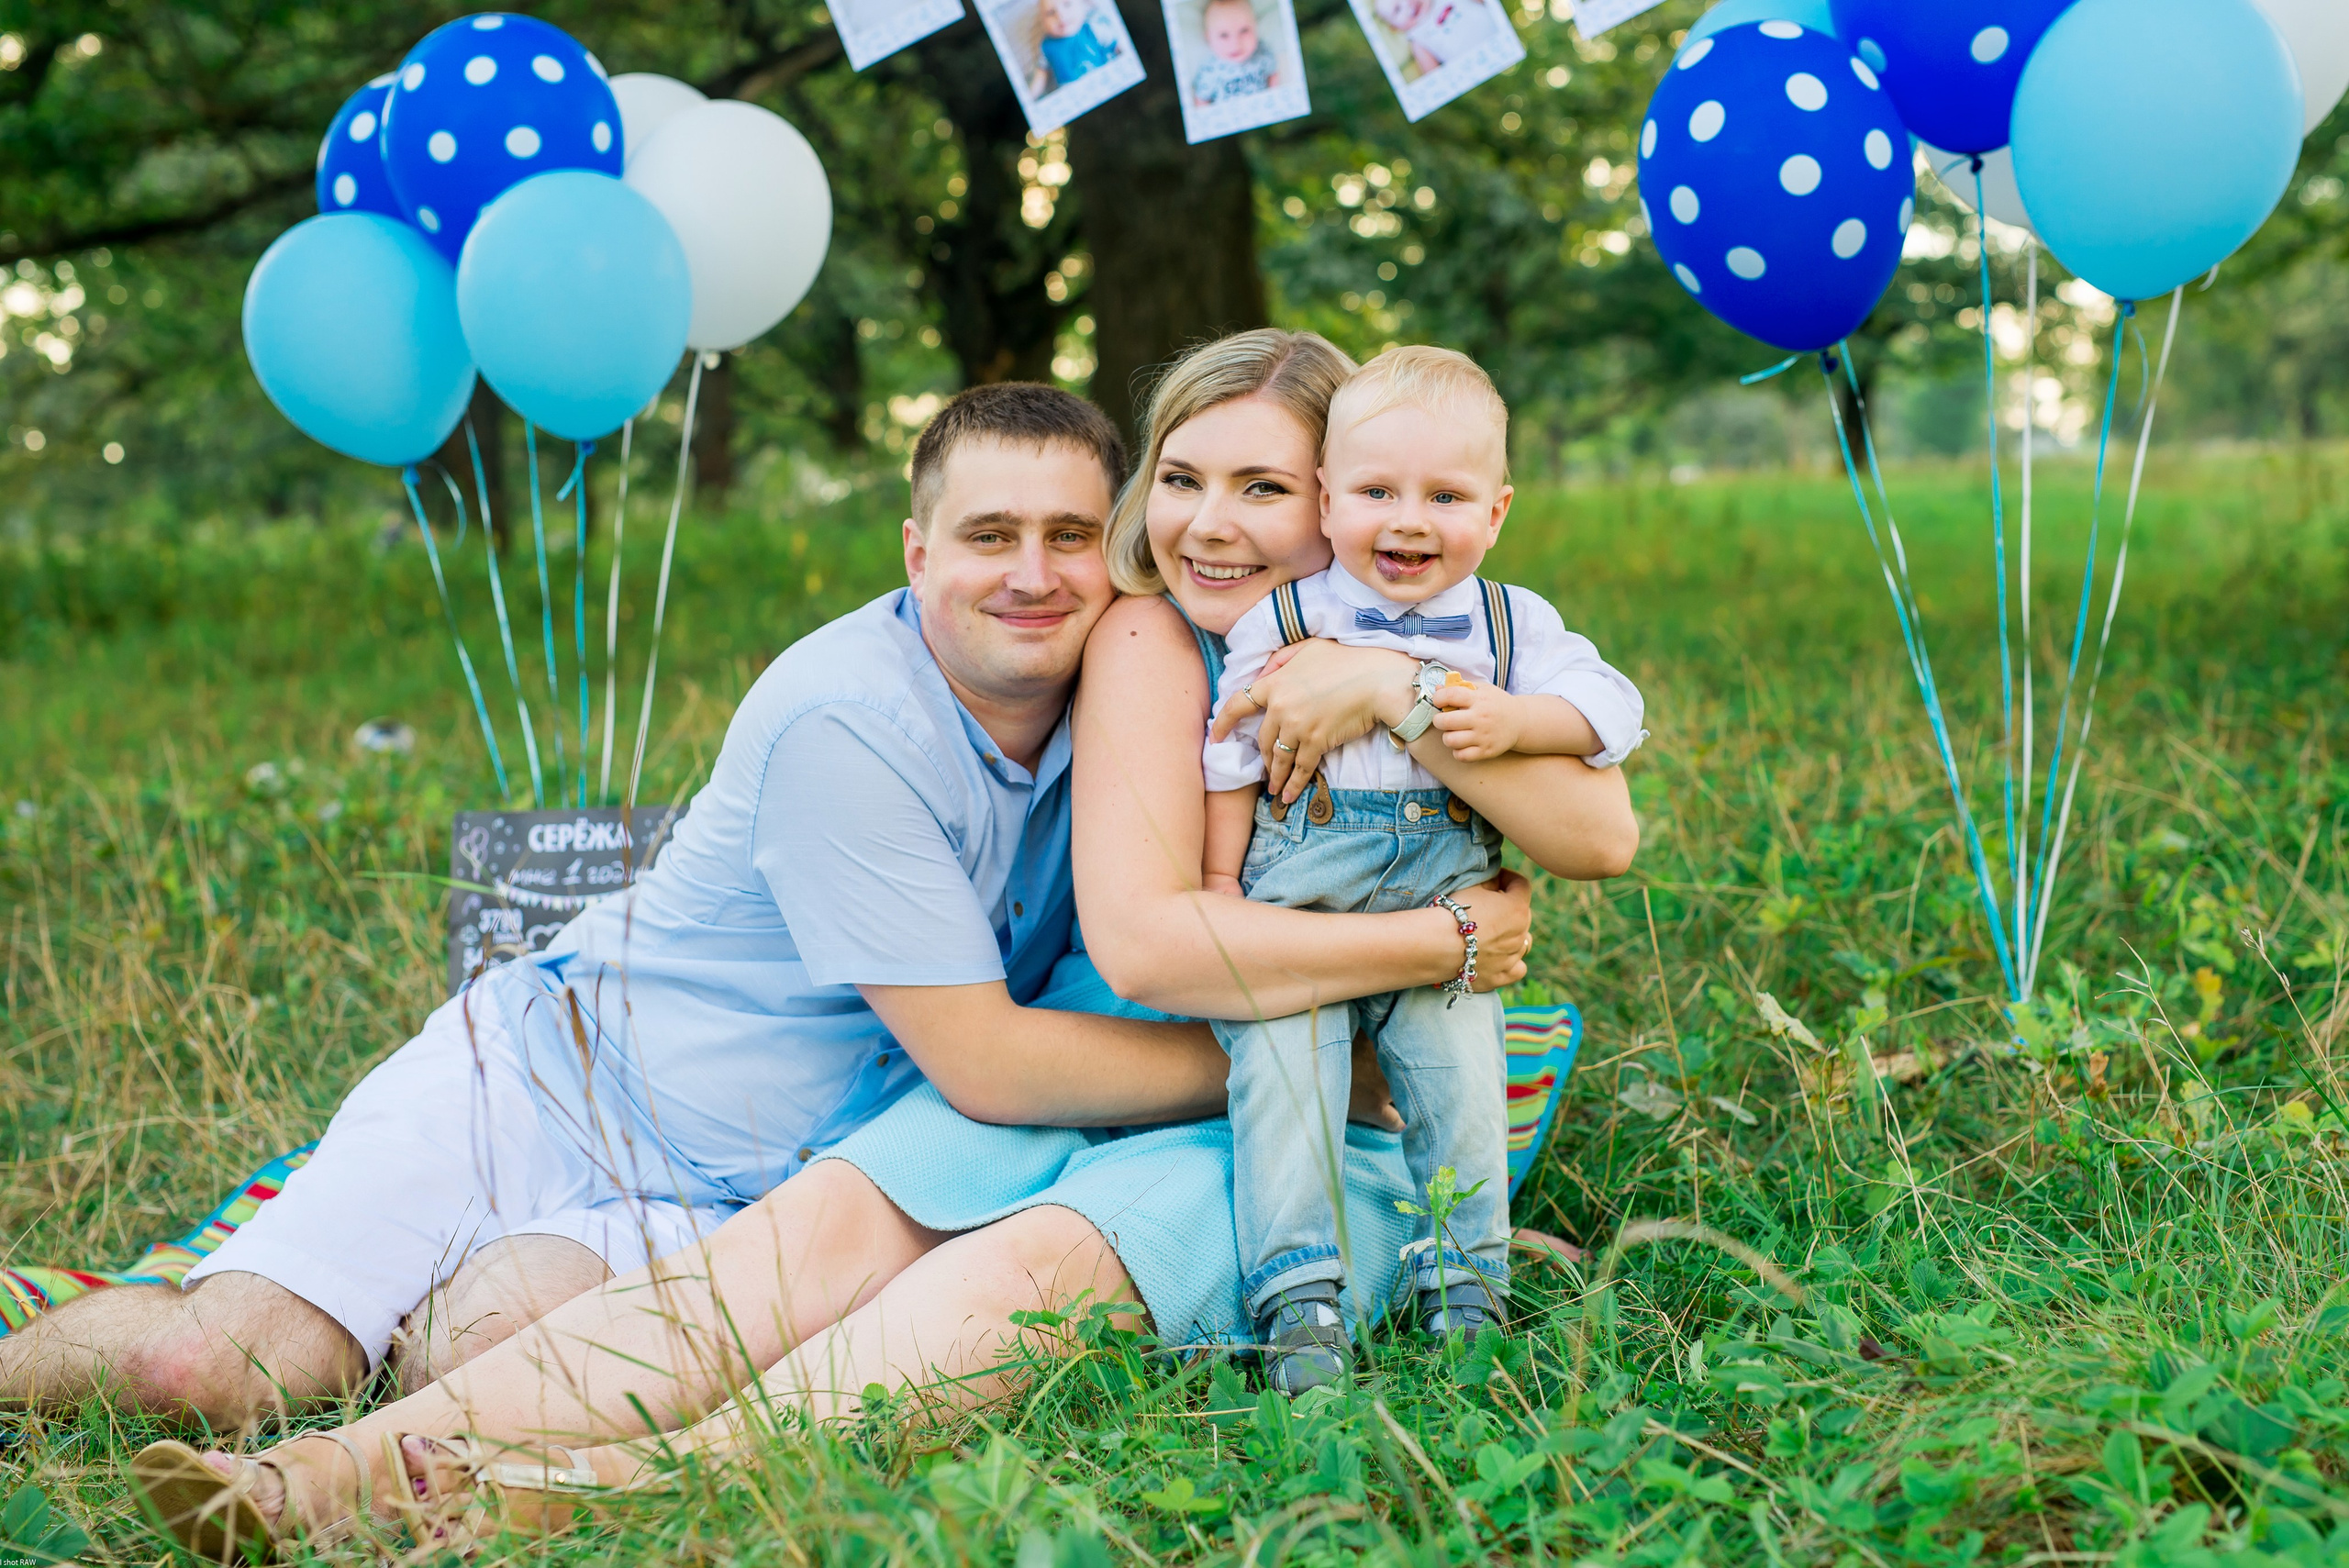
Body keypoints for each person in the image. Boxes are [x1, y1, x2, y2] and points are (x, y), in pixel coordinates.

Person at [126, 332, 1636, 1553]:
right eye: (1181, 478)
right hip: (1145, 1027)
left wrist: (1385, 683)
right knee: (817, 1237)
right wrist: (1440, 938)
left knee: (1012, 1276)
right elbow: (1150, 941)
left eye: (1267, 485)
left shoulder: (1467, 637)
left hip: (1317, 1105)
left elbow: (1602, 833)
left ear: (1345, 498)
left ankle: (606, 1488)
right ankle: (336, 1472)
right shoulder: (1139, 631)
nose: (1212, 523)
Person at [5, 384, 1229, 1429]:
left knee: (473, 1363)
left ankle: (377, 1309)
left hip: (728, 1193)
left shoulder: (1121, 703)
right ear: (918, 553)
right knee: (224, 1369)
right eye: (990, 534)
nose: (1032, 574)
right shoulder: (849, 721)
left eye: (1070, 535)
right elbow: (993, 1071)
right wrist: (1278, 1073)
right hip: (551, 1087)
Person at [1199, 346, 1644, 1391]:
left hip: (1445, 910)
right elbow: (1227, 748)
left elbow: (1614, 709)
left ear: (1496, 512)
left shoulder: (1510, 623)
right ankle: (1297, 1296)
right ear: (1326, 497)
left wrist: (1517, 716)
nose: (1407, 520)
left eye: (1444, 495)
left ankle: (1464, 1281)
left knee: (1462, 1094)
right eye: (1375, 492)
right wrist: (1221, 886)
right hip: (1300, 903)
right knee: (1283, 1088)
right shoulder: (1285, 617)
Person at [1373, 0, 1496, 77]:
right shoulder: (1418, 40)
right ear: (1395, 27)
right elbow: (1434, 77)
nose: (1407, 3)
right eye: (1397, 9)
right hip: (1475, 69)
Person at [1191, 0, 1279, 105]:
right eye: (1224, 35)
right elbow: (1201, 100)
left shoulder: (1262, 52)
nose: (1235, 43)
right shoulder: (1209, 69)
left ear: (1255, 27)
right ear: (1208, 38)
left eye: (1244, 30)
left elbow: (1273, 74)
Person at [1031, 0, 1119, 95]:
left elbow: (1118, 47)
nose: (1060, 16)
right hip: (1072, 94)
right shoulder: (1047, 46)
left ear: (1082, 5)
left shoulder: (1092, 28)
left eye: (1067, 4)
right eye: (1051, 12)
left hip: (1103, 83)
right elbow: (1040, 76)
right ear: (1043, 23)